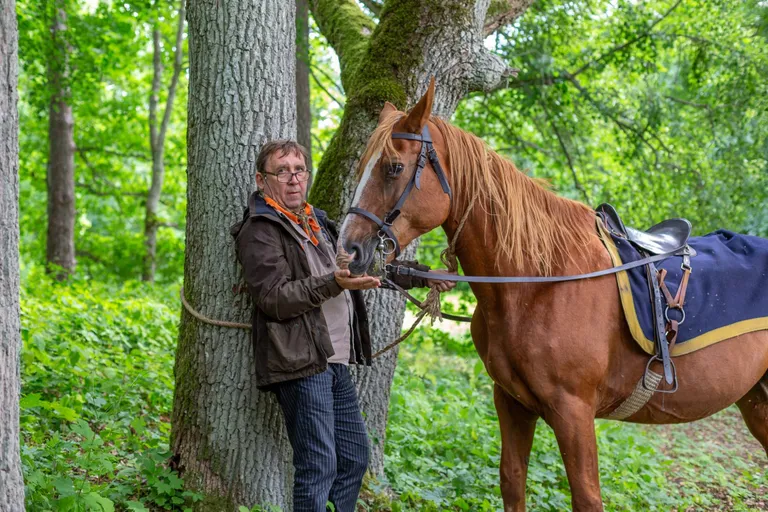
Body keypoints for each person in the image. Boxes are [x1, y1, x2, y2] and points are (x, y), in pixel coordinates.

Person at [230, 140, 454, 512]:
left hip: (334, 360)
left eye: (299, 170)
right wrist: (335, 283)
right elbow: (273, 298)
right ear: (261, 179)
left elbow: (363, 265)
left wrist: (424, 275)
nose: (293, 179)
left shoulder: (315, 219)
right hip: (299, 362)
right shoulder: (260, 229)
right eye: (281, 171)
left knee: (353, 460)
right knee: (318, 465)